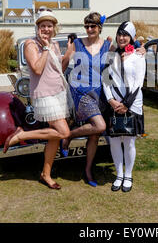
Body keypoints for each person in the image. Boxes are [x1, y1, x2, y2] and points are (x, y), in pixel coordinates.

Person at [3, 10, 72, 190]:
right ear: (37, 27)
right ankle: (21, 135)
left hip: (58, 92)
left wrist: (69, 53)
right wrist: (46, 48)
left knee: (54, 137)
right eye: (43, 26)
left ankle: (45, 174)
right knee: (63, 133)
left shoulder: (55, 44)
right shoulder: (30, 44)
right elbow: (37, 69)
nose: (47, 29)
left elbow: (59, 69)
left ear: (53, 28)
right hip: (44, 94)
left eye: (49, 26)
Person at [61, 12, 112, 187]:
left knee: (95, 134)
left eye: (93, 26)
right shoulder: (77, 43)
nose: (89, 29)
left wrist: (139, 48)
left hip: (100, 94)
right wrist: (64, 61)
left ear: (99, 28)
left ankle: (88, 170)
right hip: (81, 91)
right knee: (100, 126)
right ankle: (68, 136)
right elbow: (64, 64)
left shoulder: (107, 45)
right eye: (87, 26)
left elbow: (126, 49)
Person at [102, 21, 146, 193]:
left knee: (128, 141)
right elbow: (106, 79)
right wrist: (111, 100)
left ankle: (128, 174)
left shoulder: (138, 56)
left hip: (132, 104)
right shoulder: (110, 54)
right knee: (114, 141)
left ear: (132, 37)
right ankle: (119, 174)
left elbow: (138, 82)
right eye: (119, 34)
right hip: (113, 103)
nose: (121, 37)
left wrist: (126, 104)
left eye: (125, 34)